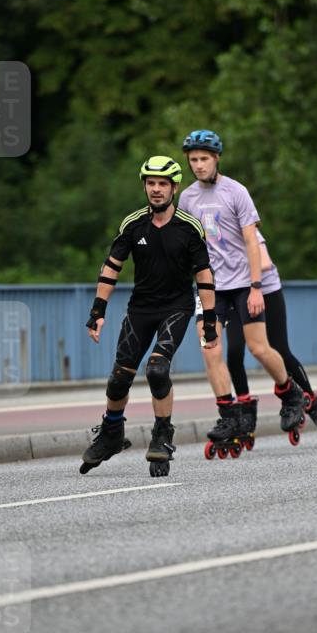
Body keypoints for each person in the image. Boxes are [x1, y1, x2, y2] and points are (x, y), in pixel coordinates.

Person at [82, 155, 218, 471]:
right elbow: (111, 267)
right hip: (140, 309)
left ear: (174, 187)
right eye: (151, 183)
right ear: (144, 186)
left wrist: (208, 320)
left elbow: (205, 275)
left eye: (162, 184)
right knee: (118, 379)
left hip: (176, 308)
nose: (156, 190)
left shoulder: (189, 227)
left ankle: (162, 435)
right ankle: (112, 432)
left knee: (157, 370)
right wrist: (97, 311)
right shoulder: (132, 224)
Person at [176, 129, 305, 450]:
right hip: (211, 287)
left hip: (244, 284)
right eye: (193, 160)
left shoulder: (236, 192)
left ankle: (290, 393)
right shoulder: (188, 198)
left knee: (260, 349)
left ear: (216, 158)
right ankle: (228, 414)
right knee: (210, 349)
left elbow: (251, 240)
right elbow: (191, 246)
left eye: (204, 159)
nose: (199, 165)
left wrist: (256, 287)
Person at [224, 233, 317, 443]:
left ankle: (313, 402)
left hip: (264, 289)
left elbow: (265, 262)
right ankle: (245, 409)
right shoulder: (211, 229)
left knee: (279, 349)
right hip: (233, 291)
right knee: (234, 351)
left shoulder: (243, 226)